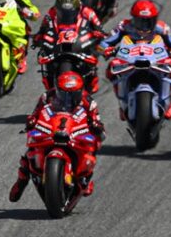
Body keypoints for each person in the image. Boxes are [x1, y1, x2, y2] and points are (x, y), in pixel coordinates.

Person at [8, 71, 105, 202]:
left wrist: (96, 126)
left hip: (75, 132)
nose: (68, 98)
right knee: (30, 152)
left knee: (94, 145)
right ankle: (22, 180)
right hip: (53, 128)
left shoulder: (89, 101)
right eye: (63, 93)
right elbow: (35, 113)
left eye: (73, 94)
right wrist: (31, 121)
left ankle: (85, 179)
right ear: (57, 89)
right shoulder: (47, 96)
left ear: (80, 91)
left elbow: (97, 121)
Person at [100, 0, 171, 119]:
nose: (145, 26)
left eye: (149, 21)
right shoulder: (123, 26)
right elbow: (104, 43)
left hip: (155, 58)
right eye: (141, 21)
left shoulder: (162, 28)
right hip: (130, 58)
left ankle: (168, 101)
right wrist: (107, 50)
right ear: (133, 18)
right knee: (111, 69)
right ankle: (122, 103)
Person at [33, 0, 104, 91]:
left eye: (70, 13)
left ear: (78, 8)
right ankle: (50, 79)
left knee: (96, 50)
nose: (66, 16)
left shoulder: (88, 12)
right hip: (58, 41)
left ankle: (91, 75)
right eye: (62, 13)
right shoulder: (52, 12)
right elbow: (43, 27)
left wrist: (98, 34)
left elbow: (99, 27)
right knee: (45, 53)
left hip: (80, 40)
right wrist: (39, 37)